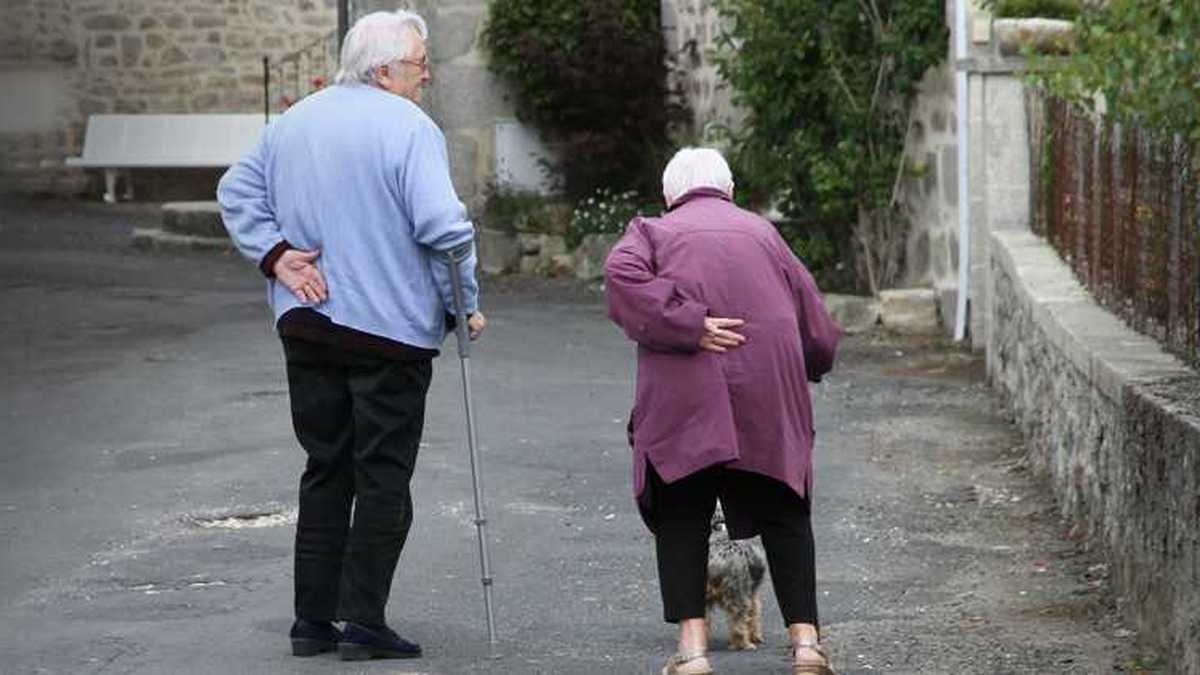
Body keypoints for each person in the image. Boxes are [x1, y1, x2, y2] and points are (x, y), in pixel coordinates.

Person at [217, 10, 486, 661]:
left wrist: (278, 254)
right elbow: (445, 229)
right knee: (383, 476)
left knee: (326, 467)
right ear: (386, 69)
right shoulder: (411, 128)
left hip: (307, 324)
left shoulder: (296, 120)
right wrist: (463, 306)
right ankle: (364, 620)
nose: (426, 76)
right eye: (421, 65)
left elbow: (235, 190)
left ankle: (312, 620)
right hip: (388, 333)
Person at [605, 148, 841, 675]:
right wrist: (811, 362)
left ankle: (692, 655)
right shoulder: (763, 234)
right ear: (729, 189)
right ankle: (806, 646)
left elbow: (620, 276)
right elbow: (818, 324)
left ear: (670, 195)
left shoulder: (651, 232)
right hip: (768, 391)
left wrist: (684, 322)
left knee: (683, 513)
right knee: (784, 508)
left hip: (684, 394)